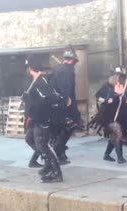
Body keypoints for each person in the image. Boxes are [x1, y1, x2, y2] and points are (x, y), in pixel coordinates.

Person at [23, 55, 64, 183]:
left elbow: (45, 101)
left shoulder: (41, 82)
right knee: (29, 139)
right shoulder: (36, 81)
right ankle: (47, 164)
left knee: (43, 146)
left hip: (42, 119)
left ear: (30, 69)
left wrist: (28, 100)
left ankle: (56, 172)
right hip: (36, 119)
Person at [51, 49, 82, 164]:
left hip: (58, 103)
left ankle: (61, 152)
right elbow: (66, 87)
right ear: (71, 61)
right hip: (66, 104)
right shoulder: (67, 71)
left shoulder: (57, 69)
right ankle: (58, 151)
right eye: (74, 61)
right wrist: (67, 99)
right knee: (68, 127)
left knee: (62, 129)